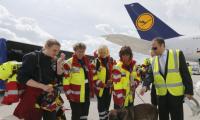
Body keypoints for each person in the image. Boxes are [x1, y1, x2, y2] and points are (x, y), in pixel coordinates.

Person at [140, 37, 193, 120]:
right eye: (152, 48)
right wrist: (145, 86)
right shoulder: (153, 60)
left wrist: (189, 91)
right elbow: (150, 75)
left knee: (177, 117)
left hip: (175, 95)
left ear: (162, 45)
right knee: (163, 118)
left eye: (155, 48)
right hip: (161, 97)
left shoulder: (177, 54)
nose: (153, 50)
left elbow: (185, 73)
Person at [13, 39, 65, 120]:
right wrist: (42, 86)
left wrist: (58, 64)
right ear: (46, 47)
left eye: (58, 51)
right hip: (34, 96)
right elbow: (21, 77)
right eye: (54, 50)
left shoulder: (54, 60)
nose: (56, 53)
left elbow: (58, 78)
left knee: (53, 118)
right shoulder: (32, 57)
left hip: (50, 96)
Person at [62, 42, 94, 120]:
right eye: (79, 51)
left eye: (83, 51)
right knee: (76, 115)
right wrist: (69, 95)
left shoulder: (86, 62)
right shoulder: (69, 63)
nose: (81, 53)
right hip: (75, 94)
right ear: (75, 51)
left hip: (86, 92)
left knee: (84, 114)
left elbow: (89, 77)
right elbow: (66, 81)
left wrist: (91, 90)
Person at [92, 45, 114, 120]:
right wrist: (102, 84)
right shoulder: (96, 61)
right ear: (99, 52)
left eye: (105, 52)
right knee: (101, 105)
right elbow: (93, 76)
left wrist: (111, 81)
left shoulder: (109, 61)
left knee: (107, 105)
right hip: (100, 88)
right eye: (101, 52)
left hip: (109, 88)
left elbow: (112, 73)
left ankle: (106, 118)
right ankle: (102, 118)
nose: (103, 54)